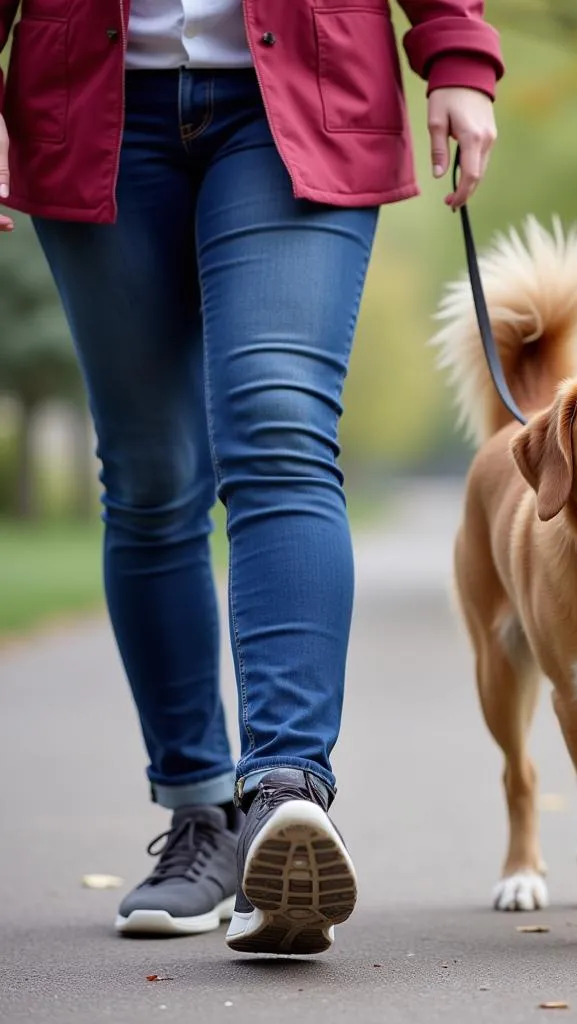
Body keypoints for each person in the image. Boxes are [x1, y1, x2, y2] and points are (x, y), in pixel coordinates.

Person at [0, 0, 501, 955]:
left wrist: (458, 53)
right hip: (91, 97)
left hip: (303, 91)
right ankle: (201, 822)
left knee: (276, 426)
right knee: (151, 475)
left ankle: (283, 792)